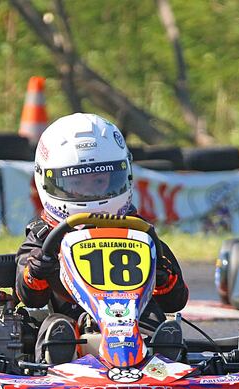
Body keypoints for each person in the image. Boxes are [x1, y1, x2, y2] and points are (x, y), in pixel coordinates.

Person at [15, 113, 188, 363]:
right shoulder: (44, 236)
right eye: (77, 182)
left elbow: (176, 301)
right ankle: (57, 359)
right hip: (72, 321)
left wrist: (163, 278)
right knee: (54, 325)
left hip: (133, 319)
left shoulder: (138, 230)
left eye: (99, 180)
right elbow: (30, 297)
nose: (90, 191)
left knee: (154, 319)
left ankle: (163, 355)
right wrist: (37, 271)